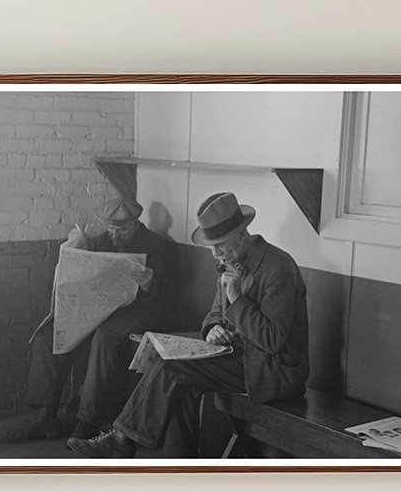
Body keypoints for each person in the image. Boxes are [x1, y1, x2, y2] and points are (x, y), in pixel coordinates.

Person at [67, 191, 310, 459]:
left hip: (272, 372)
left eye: (221, 245)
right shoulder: (230, 260)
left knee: (173, 367)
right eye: (212, 247)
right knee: (177, 376)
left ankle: (123, 439)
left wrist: (237, 299)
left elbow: (274, 341)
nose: (216, 254)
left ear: (243, 234)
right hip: (238, 357)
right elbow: (214, 315)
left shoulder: (278, 268)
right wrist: (212, 329)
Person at [24, 195, 167, 440]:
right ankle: (46, 414)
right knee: (50, 333)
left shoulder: (156, 245)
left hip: (140, 310)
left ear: (135, 224)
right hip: (102, 307)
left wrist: (149, 283)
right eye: (110, 228)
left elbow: (166, 295)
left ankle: (87, 420)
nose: (114, 235)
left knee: (105, 336)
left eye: (121, 230)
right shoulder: (103, 240)